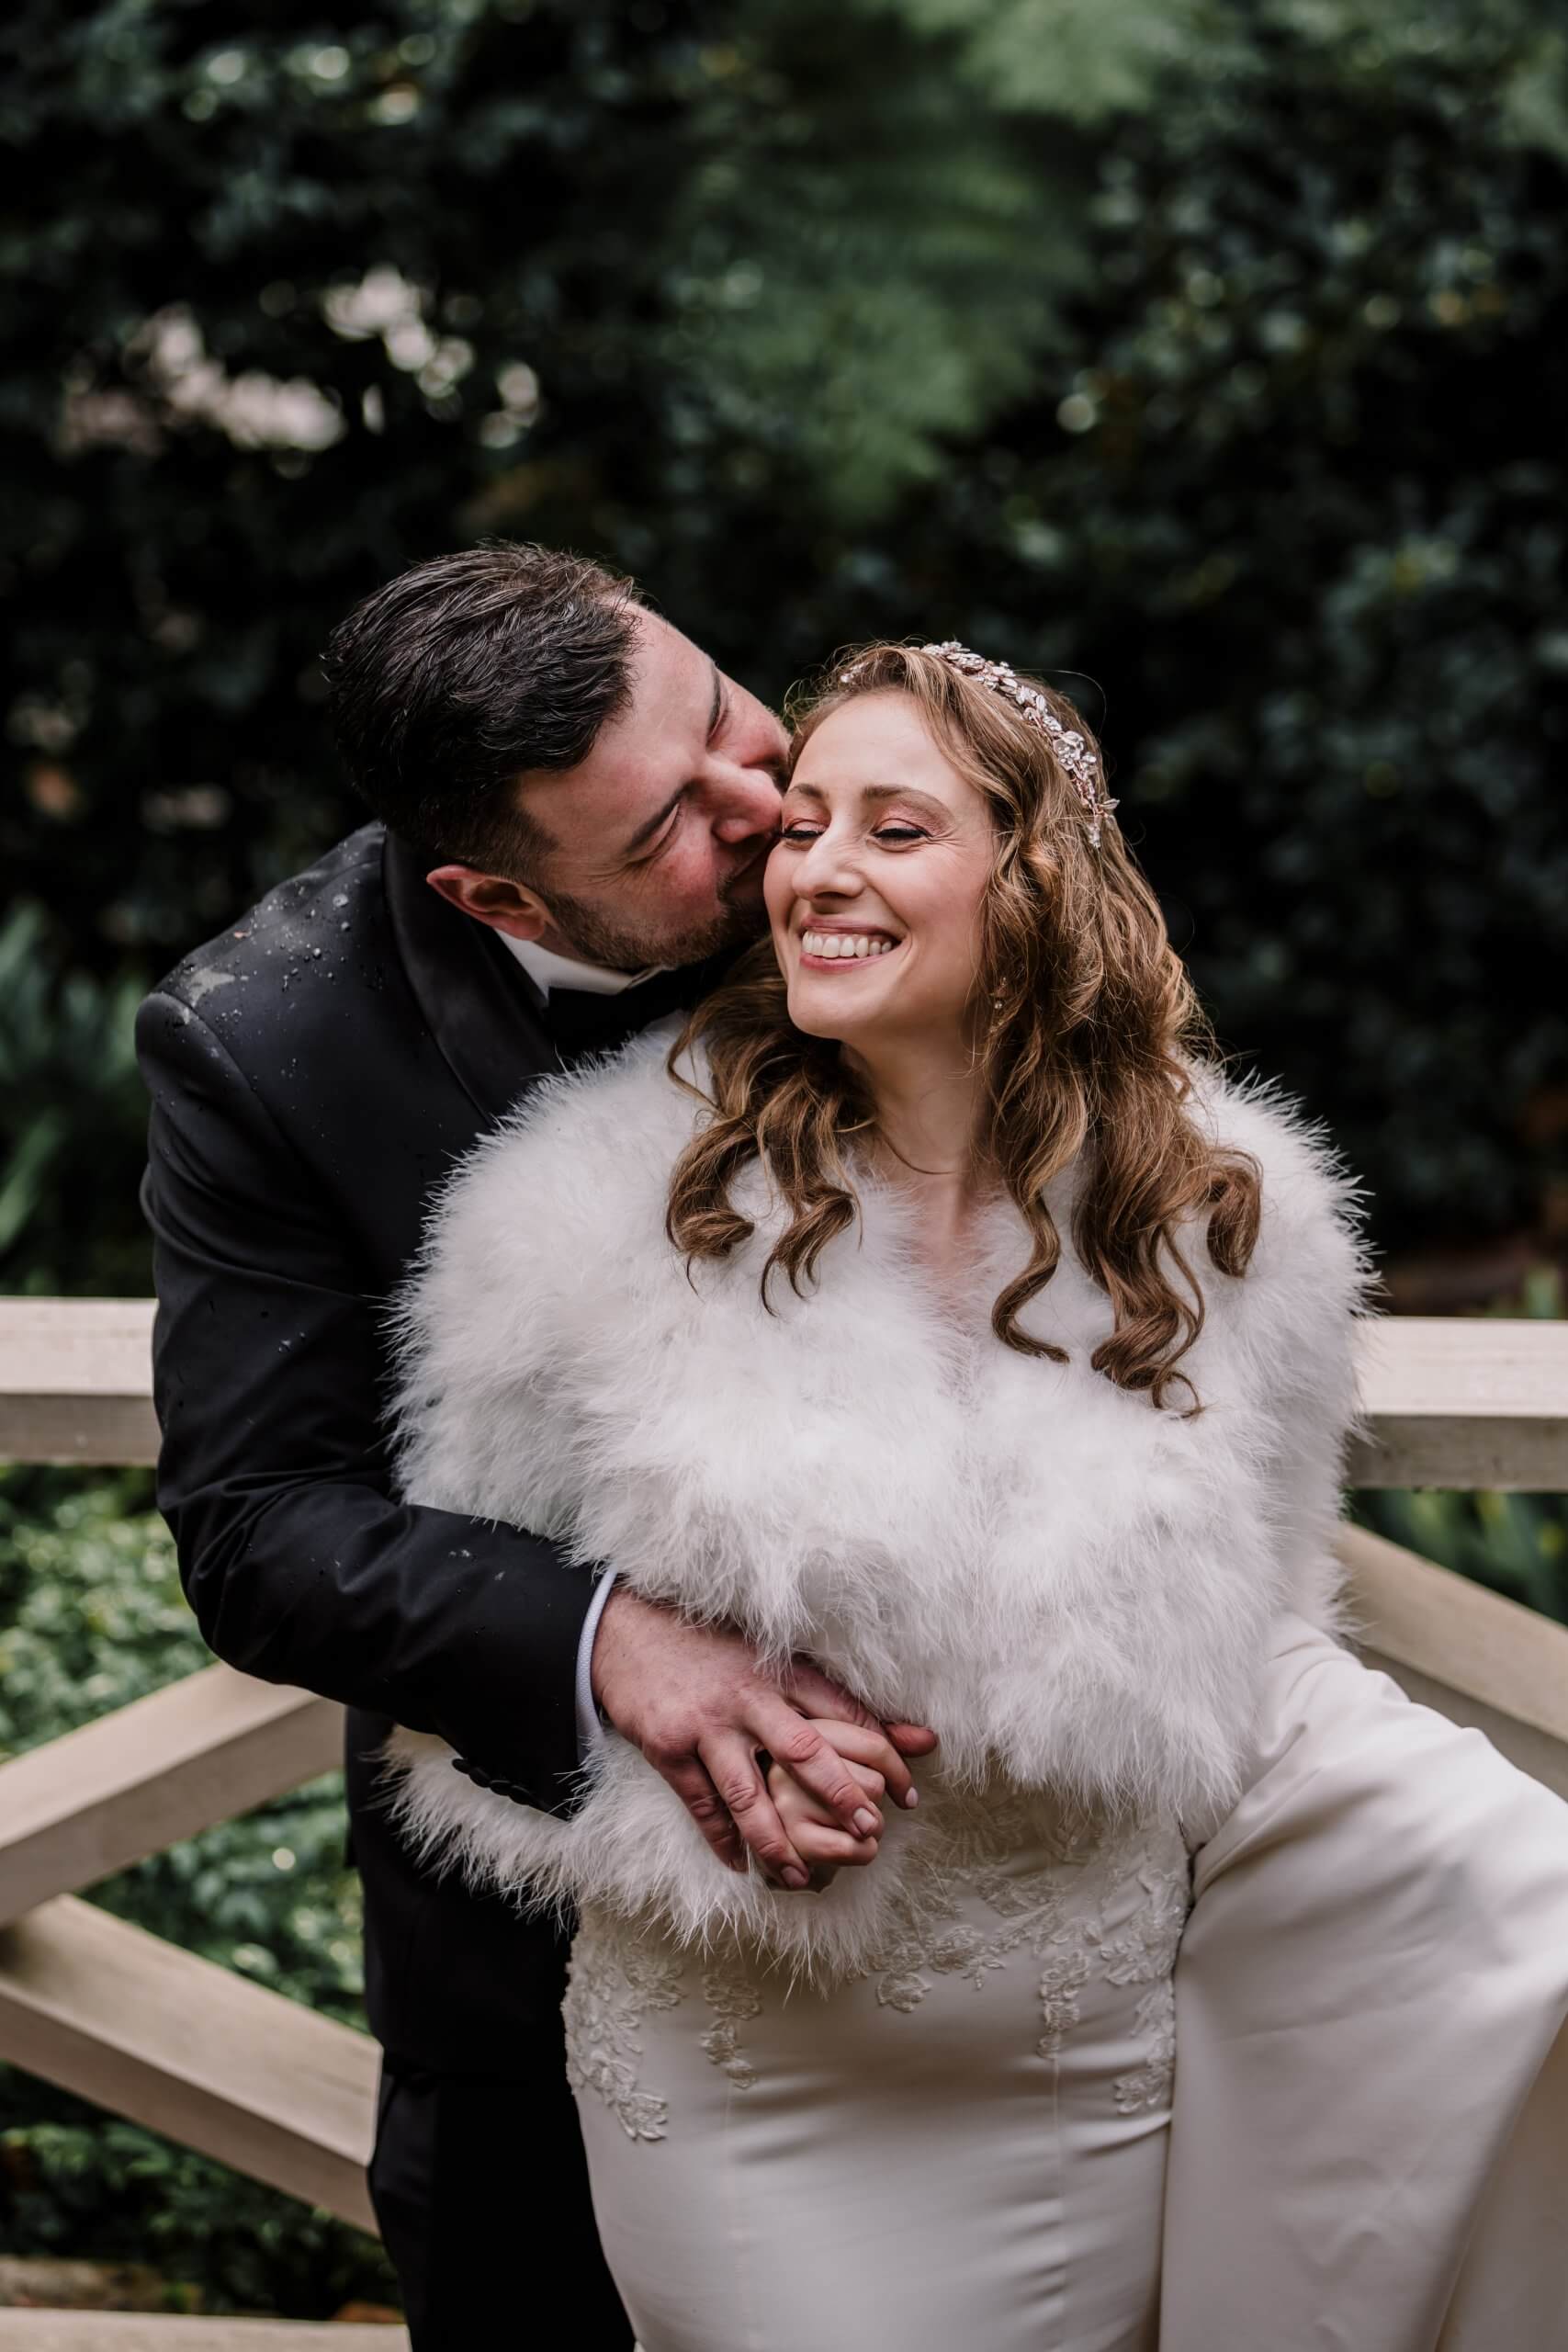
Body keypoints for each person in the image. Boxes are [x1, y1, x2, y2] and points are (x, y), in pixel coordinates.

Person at [386, 639, 1568, 2350]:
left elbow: (1264, 1657)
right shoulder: (577, 1225)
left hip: (1088, 2068)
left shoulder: (1233, 1224)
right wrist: (691, 1775)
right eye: (801, 825)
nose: (818, 871)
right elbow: (469, 1681)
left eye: (895, 827)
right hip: (748, 2069)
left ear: (1035, 882)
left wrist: (1512, 1867)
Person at [135, 543, 937, 2346]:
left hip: (992, 1904)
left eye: (734, 714)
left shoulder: (896, 823)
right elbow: (260, 1524)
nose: (769, 809)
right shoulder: (267, 1041)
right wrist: (603, 1637)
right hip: (542, 1946)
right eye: (664, 827)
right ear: (487, 886)